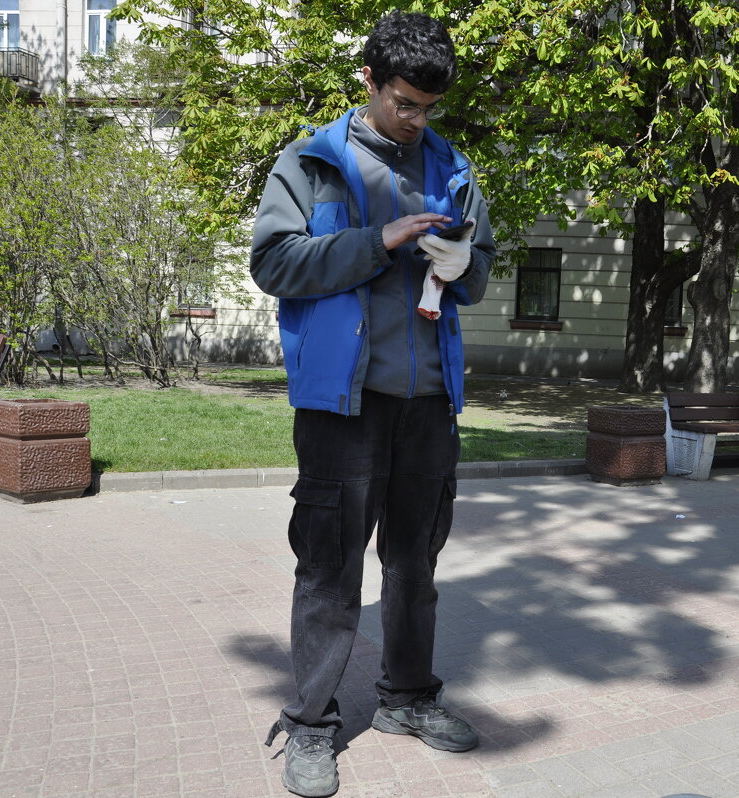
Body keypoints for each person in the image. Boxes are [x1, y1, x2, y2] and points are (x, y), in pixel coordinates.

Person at [250, 11, 495, 797]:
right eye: (403, 103)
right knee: (328, 568)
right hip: (342, 405)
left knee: (416, 562)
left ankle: (408, 700)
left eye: (428, 107)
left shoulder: (454, 167)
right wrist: (378, 241)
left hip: (429, 402)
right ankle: (312, 727)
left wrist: (465, 263)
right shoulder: (312, 162)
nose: (417, 120)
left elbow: (481, 271)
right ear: (368, 82)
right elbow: (274, 262)